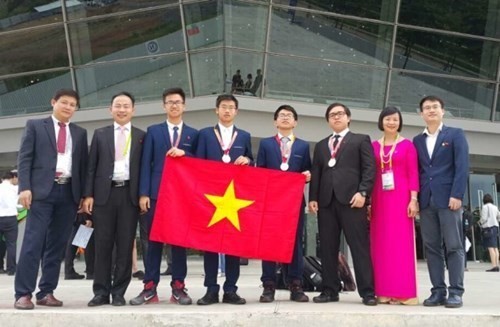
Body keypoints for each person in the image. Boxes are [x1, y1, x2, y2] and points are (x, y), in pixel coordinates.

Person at [14, 88, 88, 310]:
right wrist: (25, 187)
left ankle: (46, 292)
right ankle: (23, 293)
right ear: (53, 102)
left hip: (68, 194)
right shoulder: (35, 126)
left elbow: (82, 166)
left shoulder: (80, 132)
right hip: (41, 193)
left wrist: (83, 195)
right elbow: (24, 158)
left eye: (72, 104)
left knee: (56, 246)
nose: (68, 107)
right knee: (32, 243)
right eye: (64, 102)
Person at [130, 87, 198, 306]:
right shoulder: (154, 131)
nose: (174, 105)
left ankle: (178, 286)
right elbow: (146, 164)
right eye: (170, 102)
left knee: (179, 242)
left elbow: (199, 164)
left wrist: (185, 153)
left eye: (178, 102)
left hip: (182, 197)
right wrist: (144, 193)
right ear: (164, 106)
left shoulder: (193, 134)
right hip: (157, 194)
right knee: (154, 241)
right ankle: (150, 287)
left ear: (184, 106)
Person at [308, 102, 377, 306]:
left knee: (359, 247)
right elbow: (317, 172)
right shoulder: (321, 145)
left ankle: (367, 292)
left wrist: (363, 192)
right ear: (328, 120)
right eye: (332, 115)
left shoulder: (360, 140)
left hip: (353, 201)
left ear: (348, 118)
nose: (336, 117)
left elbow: (369, 169)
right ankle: (330, 289)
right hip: (326, 202)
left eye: (340, 114)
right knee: (328, 248)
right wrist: (313, 197)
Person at [83, 91, 145, 307]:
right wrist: (88, 194)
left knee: (125, 245)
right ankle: (100, 291)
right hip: (103, 196)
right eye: (117, 105)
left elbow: (145, 168)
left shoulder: (140, 135)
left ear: (133, 110)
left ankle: (119, 291)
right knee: (102, 245)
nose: (122, 109)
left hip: (129, 196)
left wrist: (142, 195)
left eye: (126, 106)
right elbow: (91, 167)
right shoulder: (100, 134)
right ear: (110, 109)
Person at [195, 94, 253, 305]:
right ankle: (211, 289)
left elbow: (252, 161)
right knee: (209, 244)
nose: (227, 111)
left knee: (233, 245)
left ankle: (230, 289)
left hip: (235, 199)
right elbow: (198, 165)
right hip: (211, 198)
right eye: (223, 107)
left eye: (231, 107)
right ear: (216, 110)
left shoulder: (244, 136)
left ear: (236, 111)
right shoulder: (205, 135)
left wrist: (247, 159)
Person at [413, 95, 469, 308]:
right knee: (432, 247)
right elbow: (418, 171)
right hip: (427, 201)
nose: (431, 110)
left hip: (449, 199)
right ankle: (438, 291)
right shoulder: (417, 140)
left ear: (442, 111)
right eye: (427, 108)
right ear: (421, 114)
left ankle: (456, 291)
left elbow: (462, 166)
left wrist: (458, 195)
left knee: (454, 246)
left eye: (435, 107)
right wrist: (416, 199)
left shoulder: (455, 134)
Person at [257, 105, 311, 303]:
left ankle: (295, 284)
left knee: (295, 242)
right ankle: (269, 284)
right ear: (275, 122)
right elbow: (260, 171)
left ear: (295, 122)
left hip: (295, 202)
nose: (285, 118)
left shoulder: (303, 146)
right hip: (271, 202)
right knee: (269, 242)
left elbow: (307, 171)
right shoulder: (266, 144)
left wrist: (307, 176)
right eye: (281, 115)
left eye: (289, 115)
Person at [369, 106, 419, 305]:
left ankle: (403, 292)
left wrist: (413, 199)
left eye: (395, 119)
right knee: (380, 245)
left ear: (400, 122)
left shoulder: (407, 145)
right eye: (388, 119)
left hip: (401, 200)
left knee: (401, 245)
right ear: (381, 121)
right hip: (379, 199)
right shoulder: (373, 146)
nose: (392, 122)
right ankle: (383, 290)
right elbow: (369, 175)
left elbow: (413, 173)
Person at [0, 171, 20, 276]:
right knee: (11, 244)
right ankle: (11, 269)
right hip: (11, 218)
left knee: (0, 243)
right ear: (13, 177)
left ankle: (0, 267)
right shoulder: (15, 189)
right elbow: (18, 204)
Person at [64, 213, 94, 280]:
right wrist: (87, 217)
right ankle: (91, 271)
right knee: (87, 239)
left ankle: (69, 270)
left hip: (79, 213)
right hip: (84, 212)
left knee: (75, 239)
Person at [479, 194, 499, 272]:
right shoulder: (495, 207)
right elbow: (499, 216)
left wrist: (480, 223)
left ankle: (493, 265)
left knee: (490, 247)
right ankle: (497, 265)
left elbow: (483, 218)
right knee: (495, 247)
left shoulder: (485, 207)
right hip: (495, 227)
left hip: (488, 227)